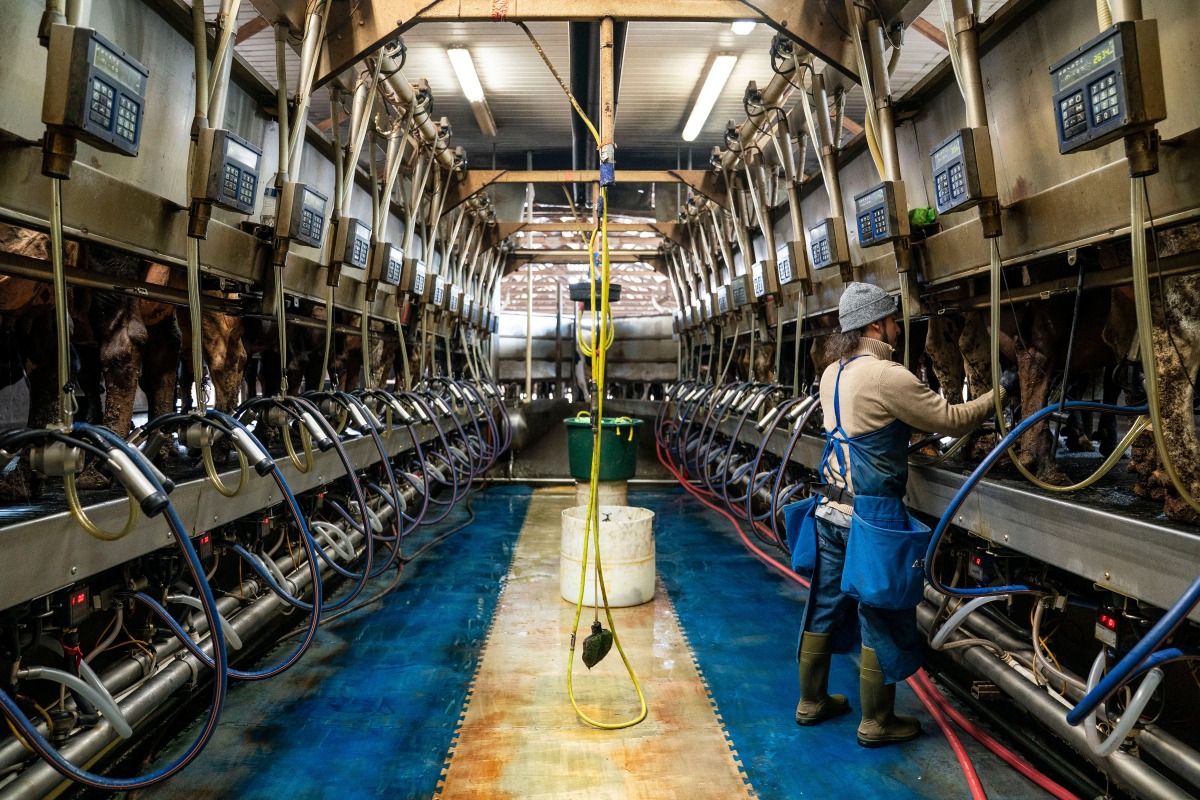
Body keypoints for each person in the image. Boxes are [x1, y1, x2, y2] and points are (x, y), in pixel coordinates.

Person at [795, 282, 1012, 747]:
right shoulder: (885, 375)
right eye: (893, 320)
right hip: (872, 518)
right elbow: (951, 420)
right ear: (876, 324)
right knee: (883, 610)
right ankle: (877, 722)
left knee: (825, 603)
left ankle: (810, 702)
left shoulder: (832, 371)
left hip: (830, 510)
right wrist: (999, 395)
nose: (897, 328)